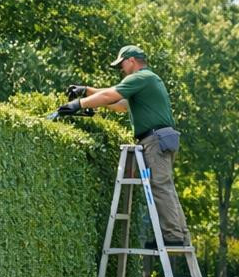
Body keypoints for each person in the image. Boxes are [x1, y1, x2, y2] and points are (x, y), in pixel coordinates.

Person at [59, 45, 188, 247]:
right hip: (161, 138)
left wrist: (78, 104)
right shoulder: (146, 82)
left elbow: (111, 95)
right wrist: (86, 92)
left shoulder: (141, 77)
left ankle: (173, 236)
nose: (121, 69)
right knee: (165, 187)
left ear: (131, 61)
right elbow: (118, 104)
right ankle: (180, 234)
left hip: (155, 139)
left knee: (161, 187)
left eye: (121, 64)